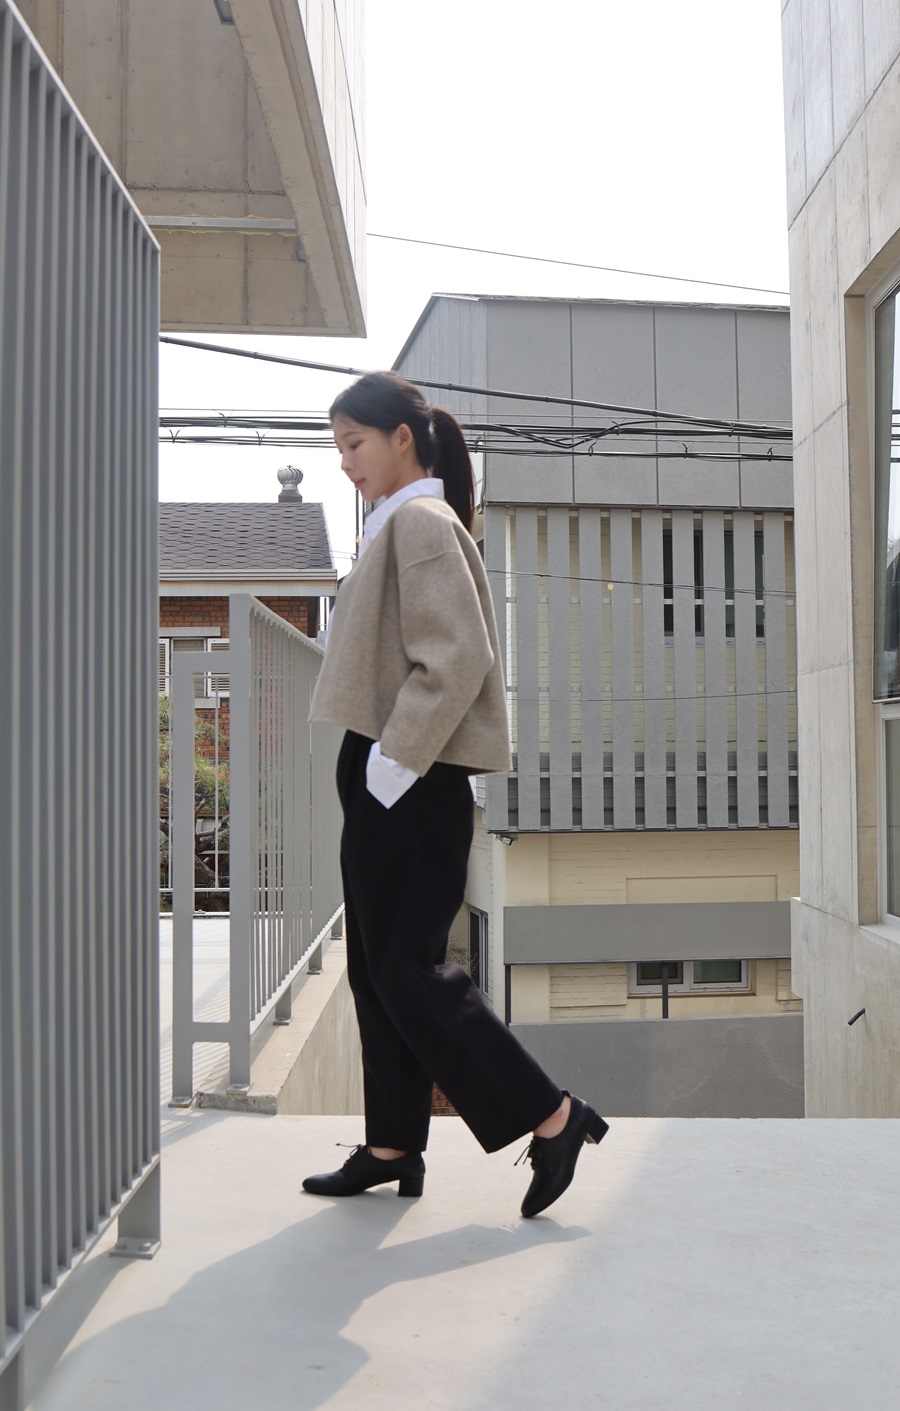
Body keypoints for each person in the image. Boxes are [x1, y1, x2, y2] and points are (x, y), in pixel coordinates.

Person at [305, 371, 608, 1218]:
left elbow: (457, 656)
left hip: (410, 771)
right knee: (379, 969)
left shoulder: (421, 523)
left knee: (406, 967)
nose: (345, 462)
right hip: (397, 766)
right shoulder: (401, 521)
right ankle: (392, 1145)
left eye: (354, 444)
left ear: (403, 438)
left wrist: (390, 763)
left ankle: (554, 1115)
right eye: (338, 447)